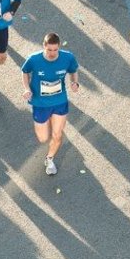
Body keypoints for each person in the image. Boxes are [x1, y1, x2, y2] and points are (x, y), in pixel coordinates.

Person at [21, 32, 80, 177]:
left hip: (59, 101)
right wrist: (27, 89)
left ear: (59, 47)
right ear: (44, 46)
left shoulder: (68, 57)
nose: (53, 53)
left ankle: (50, 159)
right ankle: (51, 125)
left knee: (57, 135)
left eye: (55, 50)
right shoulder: (34, 59)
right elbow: (25, 72)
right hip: (40, 103)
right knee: (43, 138)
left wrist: (74, 82)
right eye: (49, 50)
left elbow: (73, 71)